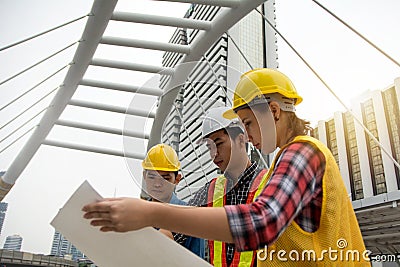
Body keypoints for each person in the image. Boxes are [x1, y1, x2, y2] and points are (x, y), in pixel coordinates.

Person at [83, 68, 369, 266]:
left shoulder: (302, 152)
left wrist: (151, 212)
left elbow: (262, 222)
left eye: (246, 123)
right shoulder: (284, 165)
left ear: (272, 111)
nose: (249, 134)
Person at [174, 106, 267, 266]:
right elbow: (177, 229)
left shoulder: (269, 184)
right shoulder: (210, 191)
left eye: (218, 143)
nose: (213, 154)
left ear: (240, 139)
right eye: (209, 147)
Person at [141, 143, 205, 259]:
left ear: (177, 179)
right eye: (152, 177)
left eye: (165, 178)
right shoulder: (138, 215)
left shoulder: (190, 216)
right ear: (144, 176)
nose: (157, 184)